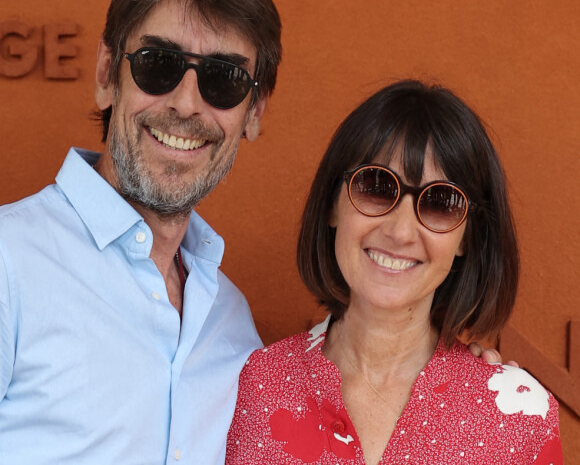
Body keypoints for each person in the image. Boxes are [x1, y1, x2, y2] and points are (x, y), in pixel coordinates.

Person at [0, 0, 282, 464]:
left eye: (223, 79)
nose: (186, 103)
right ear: (108, 74)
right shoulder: (8, 264)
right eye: (160, 65)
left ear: (255, 112)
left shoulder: (233, 322)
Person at [226, 80, 563, 464]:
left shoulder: (519, 417)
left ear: (468, 238)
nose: (400, 231)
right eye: (375, 186)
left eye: (441, 202)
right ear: (333, 205)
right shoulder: (256, 386)